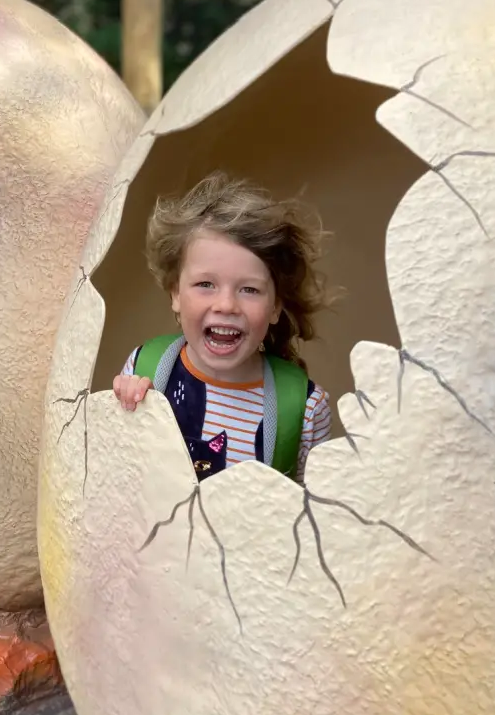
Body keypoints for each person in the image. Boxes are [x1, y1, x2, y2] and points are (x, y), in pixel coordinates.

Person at [113, 171, 333, 484]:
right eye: (206, 284)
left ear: (276, 307)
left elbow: (311, 518)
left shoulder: (307, 409)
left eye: (249, 290)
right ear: (176, 293)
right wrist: (124, 414)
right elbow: (116, 483)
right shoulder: (143, 367)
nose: (226, 305)